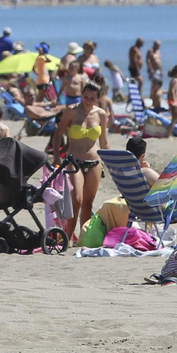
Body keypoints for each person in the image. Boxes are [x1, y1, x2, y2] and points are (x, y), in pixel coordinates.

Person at [58, 78, 109, 238]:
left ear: (98, 98)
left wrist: (111, 161)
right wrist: (56, 158)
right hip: (74, 160)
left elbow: (104, 142)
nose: (87, 101)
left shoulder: (101, 114)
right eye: (85, 97)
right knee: (77, 200)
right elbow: (58, 133)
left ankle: (84, 238)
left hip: (94, 162)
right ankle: (68, 236)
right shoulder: (71, 111)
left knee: (88, 203)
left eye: (91, 98)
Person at [146, 40, 164, 110]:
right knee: (154, 84)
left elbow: (159, 61)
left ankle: (157, 98)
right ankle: (152, 98)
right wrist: (150, 69)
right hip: (153, 70)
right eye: (157, 45)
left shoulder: (158, 51)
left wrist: (161, 70)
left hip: (159, 70)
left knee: (159, 84)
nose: (158, 47)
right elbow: (148, 60)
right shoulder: (150, 51)